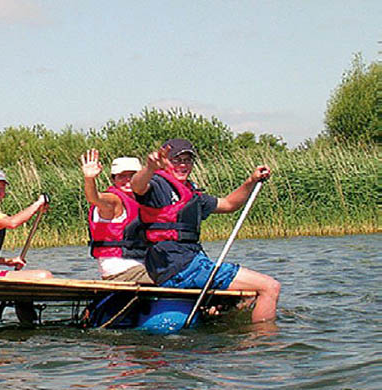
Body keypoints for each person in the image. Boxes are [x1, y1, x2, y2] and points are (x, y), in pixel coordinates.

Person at [130, 138, 281, 323]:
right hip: (178, 266)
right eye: (176, 160)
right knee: (270, 287)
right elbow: (137, 186)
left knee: (248, 295)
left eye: (187, 160)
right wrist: (149, 168)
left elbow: (229, 204)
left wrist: (251, 180)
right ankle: (265, 344)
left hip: (190, 263)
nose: (183, 165)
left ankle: (231, 328)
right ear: (165, 162)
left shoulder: (192, 194)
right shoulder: (157, 186)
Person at [81, 149, 152, 283]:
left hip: (141, 266)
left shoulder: (145, 200)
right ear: (114, 179)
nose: (127, 180)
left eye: (132, 175)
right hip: (121, 272)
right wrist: (89, 179)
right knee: (174, 278)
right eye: (121, 176)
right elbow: (94, 198)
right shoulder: (114, 201)